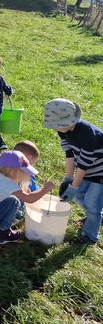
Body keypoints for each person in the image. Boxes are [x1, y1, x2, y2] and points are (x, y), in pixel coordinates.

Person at [43, 98, 103, 245]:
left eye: (57, 125)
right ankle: (94, 216)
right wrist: (68, 180)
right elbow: (70, 155)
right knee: (79, 197)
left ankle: (90, 236)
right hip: (86, 170)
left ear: (71, 120)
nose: (55, 129)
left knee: (92, 204)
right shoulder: (64, 131)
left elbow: (83, 164)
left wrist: (74, 186)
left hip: (100, 172)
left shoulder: (88, 134)